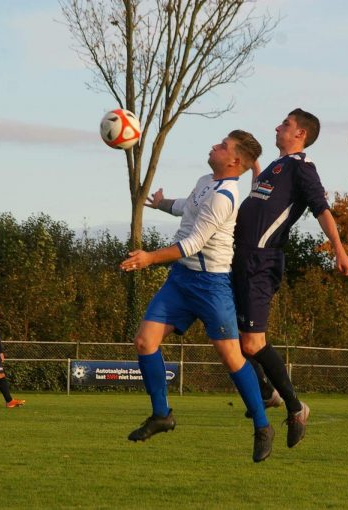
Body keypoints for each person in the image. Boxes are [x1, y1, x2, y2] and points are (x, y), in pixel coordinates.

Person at [121, 130, 275, 462]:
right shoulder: (206, 179)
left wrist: (148, 258)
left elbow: (192, 244)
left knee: (233, 359)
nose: (213, 146)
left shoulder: (225, 195)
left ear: (234, 160)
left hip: (211, 285)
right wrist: (162, 203)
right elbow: (188, 208)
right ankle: (162, 415)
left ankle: (262, 426)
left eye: (221, 146)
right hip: (181, 280)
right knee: (145, 342)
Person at [233, 108, 348, 448]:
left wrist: (339, 250)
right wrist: (256, 170)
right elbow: (264, 203)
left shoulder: (302, 167)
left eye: (285, 124)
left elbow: (321, 208)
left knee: (252, 343)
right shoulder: (275, 166)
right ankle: (269, 394)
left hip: (260, 261)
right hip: (239, 259)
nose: (277, 126)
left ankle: (294, 406)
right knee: (225, 334)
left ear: (300, 134)